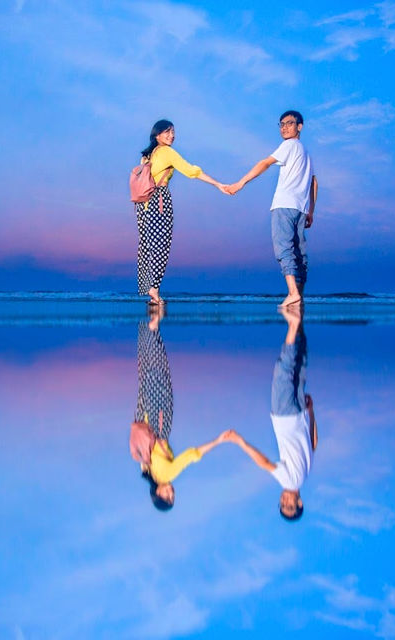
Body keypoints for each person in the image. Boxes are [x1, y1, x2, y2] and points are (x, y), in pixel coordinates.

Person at [129, 305, 233, 511]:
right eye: (172, 496)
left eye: (167, 496)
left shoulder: (164, 475)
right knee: (147, 374)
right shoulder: (146, 470)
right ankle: (146, 326)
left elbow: (191, 456)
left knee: (160, 373)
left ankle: (153, 325)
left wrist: (218, 441)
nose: (171, 493)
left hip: (158, 425)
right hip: (143, 418)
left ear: (157, 493)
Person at [224, 305, 317, 520]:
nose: (285, 501)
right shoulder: (290, 481)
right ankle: (293, 323)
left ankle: (298, 318)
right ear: (299, 502)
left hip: (301, 412)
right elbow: (265, 463)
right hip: (285, 416)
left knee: (298, 367)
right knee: (283, 371)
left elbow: (313, 444)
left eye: (282, 505)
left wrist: (311, 413)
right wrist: (239, 441)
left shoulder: (305, 474)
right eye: (290, 505)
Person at [225, 110, 318, 307]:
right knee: (299, 252)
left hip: (284, 205)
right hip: (300, 209)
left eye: (289, 123)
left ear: (299, 127)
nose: (284, 127)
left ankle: (293, 293)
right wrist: (310, 211)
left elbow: (265, 163)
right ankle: (298, 297)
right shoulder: (305, 152)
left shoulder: (289, 145)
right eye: (281, 124)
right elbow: (314, 182)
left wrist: (240, 183)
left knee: (283, 248)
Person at [136, 119, 229, 306]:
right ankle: (154, 289)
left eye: (173, 132)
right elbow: (191, 171)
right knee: (161, 246)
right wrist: (217, 183)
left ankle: (150, 289)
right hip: (159, 201)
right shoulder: (167, 152)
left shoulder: (146, 156)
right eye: (167, 132)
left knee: (147, 246)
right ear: (157, 134)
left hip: (141, 204)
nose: (172, 135)